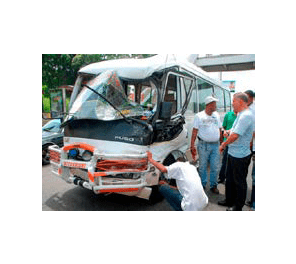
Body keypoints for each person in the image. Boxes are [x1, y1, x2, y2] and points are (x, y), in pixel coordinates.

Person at [218, 92, 255, 211]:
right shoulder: (240, 114)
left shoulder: (246, 115)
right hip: (233, 153)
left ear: (240, 101)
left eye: (233, 101)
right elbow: (233, 130)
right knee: (229, 179)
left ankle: (238, 206)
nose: (232, 104)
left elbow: (235, 136)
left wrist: (223, 143)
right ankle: (229, 200)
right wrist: (227, 131)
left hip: (240, 155)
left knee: (239, 182)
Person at [190, 96, 222, 194]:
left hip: (216, 145)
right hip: (204, 146)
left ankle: (213, 185)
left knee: (215, 166)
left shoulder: (216, 115)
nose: (216, 106)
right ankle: (202, 185)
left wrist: (221, 143)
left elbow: (220, 128)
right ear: (209, 105)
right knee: (203, 166)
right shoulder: (199, 116)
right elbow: (195, 131)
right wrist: (192, 146)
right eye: (214, 104)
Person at [218, 110, 237, 184]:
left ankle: (231, 179)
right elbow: (223, 127)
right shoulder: (228, 115)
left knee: (234, 163)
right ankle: (221, 177)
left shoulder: (241, 116)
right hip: (227, 142)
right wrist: (222, 140)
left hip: (236, 144)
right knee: (225, 161)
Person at [245, 90, 255, 210]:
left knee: (254, 175)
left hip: (252, 146)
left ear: (251, 98)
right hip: (250, 146)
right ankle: (252, 201)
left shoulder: (252, 111)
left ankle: (254, 204)